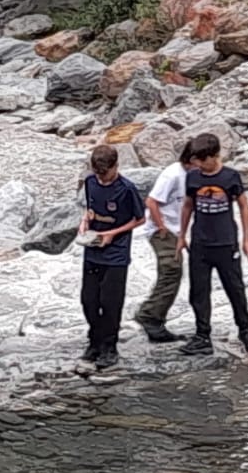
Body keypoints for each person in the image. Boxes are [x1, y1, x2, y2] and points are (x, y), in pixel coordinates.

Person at [178, 133, 248, 356]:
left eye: (201, 160)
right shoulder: (193, 178)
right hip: (200, 243)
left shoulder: (230, 177)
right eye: (195, 160)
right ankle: (202, 335)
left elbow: (243, 205)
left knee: (235, 288)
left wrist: (246, 239)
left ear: (214, 156)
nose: (197, 164)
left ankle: (245, 329)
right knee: (199, 291)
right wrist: (181, 235)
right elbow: (188, 205)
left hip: (225, 242)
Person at [76, 145, 145, 370]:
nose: (102, 179)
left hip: (116, 253)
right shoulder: (90, 182)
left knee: (110, 302)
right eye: (98, 174)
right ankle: (94, 339)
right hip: (93, 249)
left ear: (116, 166)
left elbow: (140, 219)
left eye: (105, 174)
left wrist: (112, 233)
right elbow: (90, 209)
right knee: (89, 300)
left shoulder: (127, 189)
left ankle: (109, 346)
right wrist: (85, 221)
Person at [133, 142, 193, 344]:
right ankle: (150, 315)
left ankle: (153, 315)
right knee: (171, 269)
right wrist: (161, 227)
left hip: (176, 229)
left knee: (173, 271)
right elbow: (151, 201)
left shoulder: (191, 174)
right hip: (162, 229)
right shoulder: (172, 174)